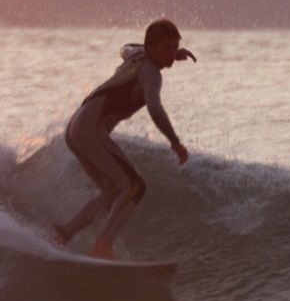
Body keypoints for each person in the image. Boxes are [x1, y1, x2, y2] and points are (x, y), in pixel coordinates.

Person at [52, 18, 195, 259]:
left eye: (174, 48)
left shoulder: (136, 55)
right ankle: (103, 246)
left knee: (113, 194)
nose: (171, 55)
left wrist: (163, 51)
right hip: (90, 129)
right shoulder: (151, 74)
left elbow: (125, 46)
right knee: (135, 187)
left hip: (75, 129)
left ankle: (62, 236)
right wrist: (174, 141)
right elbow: (155, 108)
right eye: (165, 49)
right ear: (150, 47)